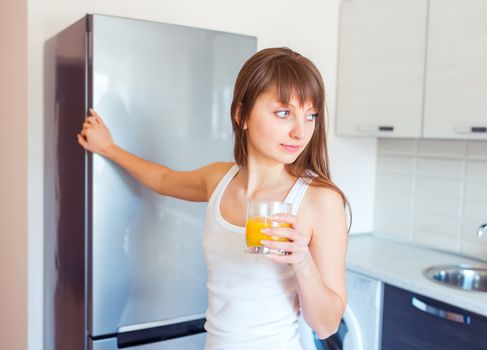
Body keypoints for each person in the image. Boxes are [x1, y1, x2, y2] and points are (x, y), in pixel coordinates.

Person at [77, 47, 350, 350]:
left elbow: (326, 325)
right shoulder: (219, 179)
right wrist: (108, 148)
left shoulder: (320, 200)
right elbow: (164, 179)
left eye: (310, 115)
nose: (301, 131)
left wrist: (302, 262)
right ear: (241, 114)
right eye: (284, 113)